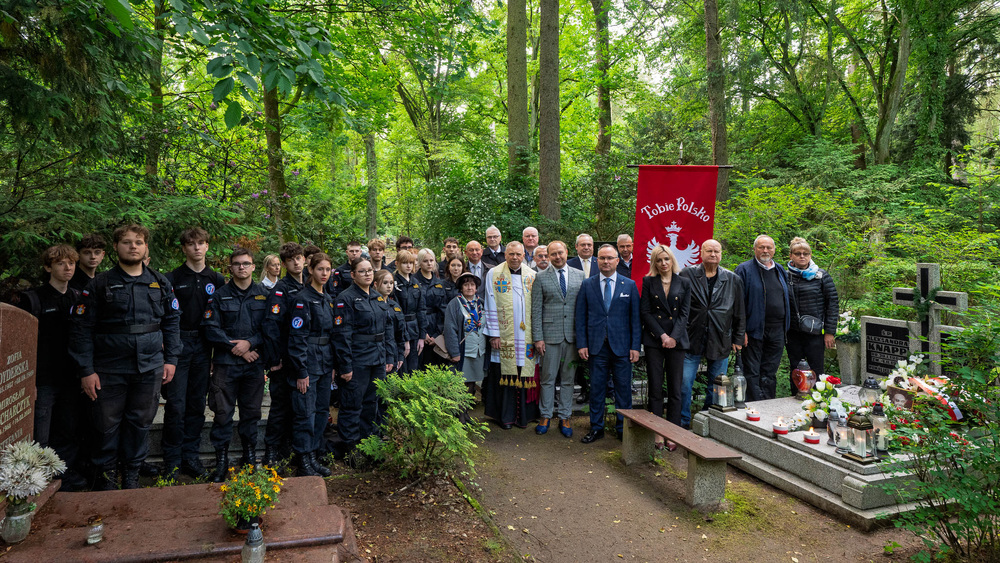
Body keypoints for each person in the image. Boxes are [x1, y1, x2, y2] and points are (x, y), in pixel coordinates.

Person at [69, 224, 182, 490]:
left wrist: (171, 360)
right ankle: (106, 479)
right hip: (108, 368)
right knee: (105, 426)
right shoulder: (100, 283)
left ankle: (131, 476)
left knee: (140, 423)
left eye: (139, 242)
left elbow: (173, 321)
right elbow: (81, 329)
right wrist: (86, 370)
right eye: (127, 242)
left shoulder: (159, 281)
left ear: (145, 248)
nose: (133, 246)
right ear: (117, 248)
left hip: (149, 367)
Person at [15, 245, 87, 490]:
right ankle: (35, 480)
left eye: (71, 263)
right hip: (43, 378)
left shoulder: (78, 297)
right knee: (40, 434)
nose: (67, 268)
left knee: (69, 429)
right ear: (48, 267)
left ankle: (63, 475)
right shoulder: (32, 299)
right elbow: (21, 345)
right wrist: (28, 382)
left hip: (71, 377)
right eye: (60, 263)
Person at [162, 227, 225, 479]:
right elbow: (165, 315)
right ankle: (172, 461)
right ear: (184, 248)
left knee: (197, 404)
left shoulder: (217, 279)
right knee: (176, 405)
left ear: (207, 246)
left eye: (201, 243)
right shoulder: (172, 278)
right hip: (178, 343)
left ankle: (191, 456)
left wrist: (214, 354)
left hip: (204, 345)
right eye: (191, 244)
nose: (196, 247)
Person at [202, 248, 270, 481]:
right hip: (225, 365)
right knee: (222, 414)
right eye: (237, 264)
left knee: (251, 413)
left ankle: (249, 457)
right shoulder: (219, 296)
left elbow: (269, 328)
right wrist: (239, 349)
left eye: (246, 263)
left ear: (253, 266)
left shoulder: (264, 295)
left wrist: (250, 343)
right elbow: (211, 329)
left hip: (253, 365)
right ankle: (221, 460)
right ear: (230, 268)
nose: (241, 267)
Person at [575, 244, 641, 443]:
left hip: (622, 348)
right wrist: (582, 344)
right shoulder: (588, 284)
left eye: (610, 258)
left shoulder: (628, 285)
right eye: (602, 258)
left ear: (617, 260)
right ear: (597, 260)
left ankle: (623, 429)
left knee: (623, 391)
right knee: (596, 389)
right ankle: (596, 428)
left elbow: (635, 320)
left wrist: (635, 347)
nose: (606, 261)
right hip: (596, 347)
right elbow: (581, 317)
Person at [331, 257, 394, 460]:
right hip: (357, 360)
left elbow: (385, 330)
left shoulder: (377, 297)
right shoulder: (345, 298)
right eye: (362, 271)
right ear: (353, 275)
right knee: (352, 405)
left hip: (377, 358)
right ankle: (351, 449)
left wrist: (387, 357)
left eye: (369, 271)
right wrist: (345, 366)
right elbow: (342, 335)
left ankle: (367, 445)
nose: (367, 274)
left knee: (371, 404)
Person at [679, 239, 745, 428]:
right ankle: (683, 421)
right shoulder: (687, 274)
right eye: (709, 251)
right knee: (684, 384)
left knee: (717, 386)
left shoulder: (733, 279)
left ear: (721, 254)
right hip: (691, 338)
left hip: (720, 338)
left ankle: (707, 420)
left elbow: (740, 311)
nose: (713, 254)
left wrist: (738, 337)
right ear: (701, 252)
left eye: (717, 251)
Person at [286, 253, 336, 477]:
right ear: (311, 271)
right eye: (320, 269)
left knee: (320, 411)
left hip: (325, 363)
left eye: (327, 269)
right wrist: (301, 371)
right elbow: (297, 338)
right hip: (308, 363)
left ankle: (313, 455)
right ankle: (303, 460)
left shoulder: (327, 298)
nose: (324, 274)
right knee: (304, 413)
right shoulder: (302, 299)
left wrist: (333, 365)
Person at [482, 242, 539, 429]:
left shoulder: (532, 275)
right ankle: (505, 417)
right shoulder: (494, 273)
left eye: (518, 254)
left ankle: (524, 416)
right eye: (511, 254)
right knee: (503, 374)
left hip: (526, 334)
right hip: (504, 334)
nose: (515, 257)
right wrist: (494, 334)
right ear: (505, 254)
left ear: (524, 255)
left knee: (524, 373)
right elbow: (489, 303)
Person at [530, 240, 583, 438]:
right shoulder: (541, 278)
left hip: (572, 336)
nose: (557, 257)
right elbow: (536, 310)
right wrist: (538, 338)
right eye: (553, 254)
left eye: (560, 253)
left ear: (567, 252)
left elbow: (582, 309)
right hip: (549, 337)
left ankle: (565, 416)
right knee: (547, 379)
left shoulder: (580, 276)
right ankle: (545, 415)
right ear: (548, 256)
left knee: (568, 379)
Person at [260, 242, 306, 467]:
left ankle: (293, 448)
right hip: (284, 358)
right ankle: (271, 450)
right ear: (285, 264)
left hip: (304, 357)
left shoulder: (311, 284)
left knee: (299, 407)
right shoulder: (281, 289)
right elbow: (271, 326)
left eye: (299, 258)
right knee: (279, 406)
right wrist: (274, 358)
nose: (296, 262)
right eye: (291, 260)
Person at [640, 245, 691, 444]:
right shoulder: (648, 281)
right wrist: (661, 335)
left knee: (675, 389)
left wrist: (672, 337)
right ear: (655, 262)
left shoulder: (684, 282)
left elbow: (685, 313)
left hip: (676, 341)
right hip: (655, 340)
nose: (663, 263)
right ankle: (657, 430)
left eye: (666, 259)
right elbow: (645, 312)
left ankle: (673, 432)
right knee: (655, 387)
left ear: (672, 260)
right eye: (659, 260)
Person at [735, 235, 791, 401]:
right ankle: (753, 406)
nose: (765, 250)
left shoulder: (780, 270)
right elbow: (738, 303)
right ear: (755, 249)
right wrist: (741, 330)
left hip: (778, 330)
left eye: (769, 247)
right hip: (753, 330)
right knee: (752, 371)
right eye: (761, 247)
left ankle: (768, 404)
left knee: (770, 371)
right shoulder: (744, 270)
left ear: (774, 250)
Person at [785, 237, 839, 388]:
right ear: (791, 256)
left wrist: (829, 332)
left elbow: (832, 304)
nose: (802, 256)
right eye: (798, 253)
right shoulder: (784, 275)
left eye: (805, 253)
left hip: (815, 333)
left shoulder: (821, 276)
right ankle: (795, 399)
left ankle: (817, 402)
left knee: (817, 370)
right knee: (795, 370)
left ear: (810, 255)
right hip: (792, 332)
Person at [443, 272, 487, 423]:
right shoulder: (455, 304)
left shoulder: (480, 303)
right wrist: (454, 352)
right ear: (461, 287)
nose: (469, 287)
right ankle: (459, 414)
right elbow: (450, 329)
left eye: (472, 285)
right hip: (464, 351)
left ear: (476, 288)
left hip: (478, 350)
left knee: (472, 383)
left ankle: (466, 412)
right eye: (466, 284)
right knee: (462, 384)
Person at [391, 250, 426, 375]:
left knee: (413, 368)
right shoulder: (393, 283)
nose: (408, 266)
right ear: (397, 263)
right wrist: (404, 338)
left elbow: (421, 310)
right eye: (405, 263)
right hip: (399, 331)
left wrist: (422, 336)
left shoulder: (416, 283)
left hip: (414, 329)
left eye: (411, 263)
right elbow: (396, 313)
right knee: (401, 369)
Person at [416, 248, 449, 367]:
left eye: (432, 260)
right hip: (419, 328)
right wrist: (422, 333)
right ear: (419, 262)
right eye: (425, 261)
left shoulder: (440, 284)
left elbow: (443, 311)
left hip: (436, 329)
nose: (429, 263)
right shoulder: (414, 282)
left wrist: (437, 335)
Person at [374, 269, 408, 374]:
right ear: (375, 284)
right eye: (385, 283)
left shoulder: (394, 305)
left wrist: (400, 355)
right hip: (377, 353)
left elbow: (400, 332)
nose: (389, 286)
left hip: (394, 352)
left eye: (391, 283)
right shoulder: (372, 305)